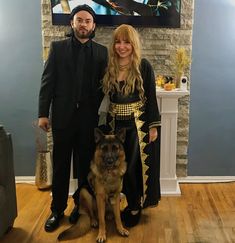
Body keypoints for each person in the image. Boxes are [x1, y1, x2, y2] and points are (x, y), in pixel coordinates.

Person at [38, 4, 108, 232]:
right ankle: (57, 210)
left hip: (88, 121)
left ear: (93, 25)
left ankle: (81, 207)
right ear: (72, 23)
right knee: (60, 166)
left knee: (84, 167)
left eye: (88, 21)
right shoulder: (57, 48)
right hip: (62, 118)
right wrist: (42, 113)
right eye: (79, 20)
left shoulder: (101, 52)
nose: (83, 24)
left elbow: (104, 87)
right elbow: (47, 82)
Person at [99, 24, 161, 227]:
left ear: (133, 44)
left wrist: (153, 127)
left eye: (126, 42)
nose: (122, 46)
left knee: (133, 167)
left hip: (137, 126)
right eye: (118, 42)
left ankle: (135, 206)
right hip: (114, 126)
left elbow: (151, 98)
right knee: (116, 168)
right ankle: (119, 204)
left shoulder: (143, 66)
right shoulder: (109, 66)